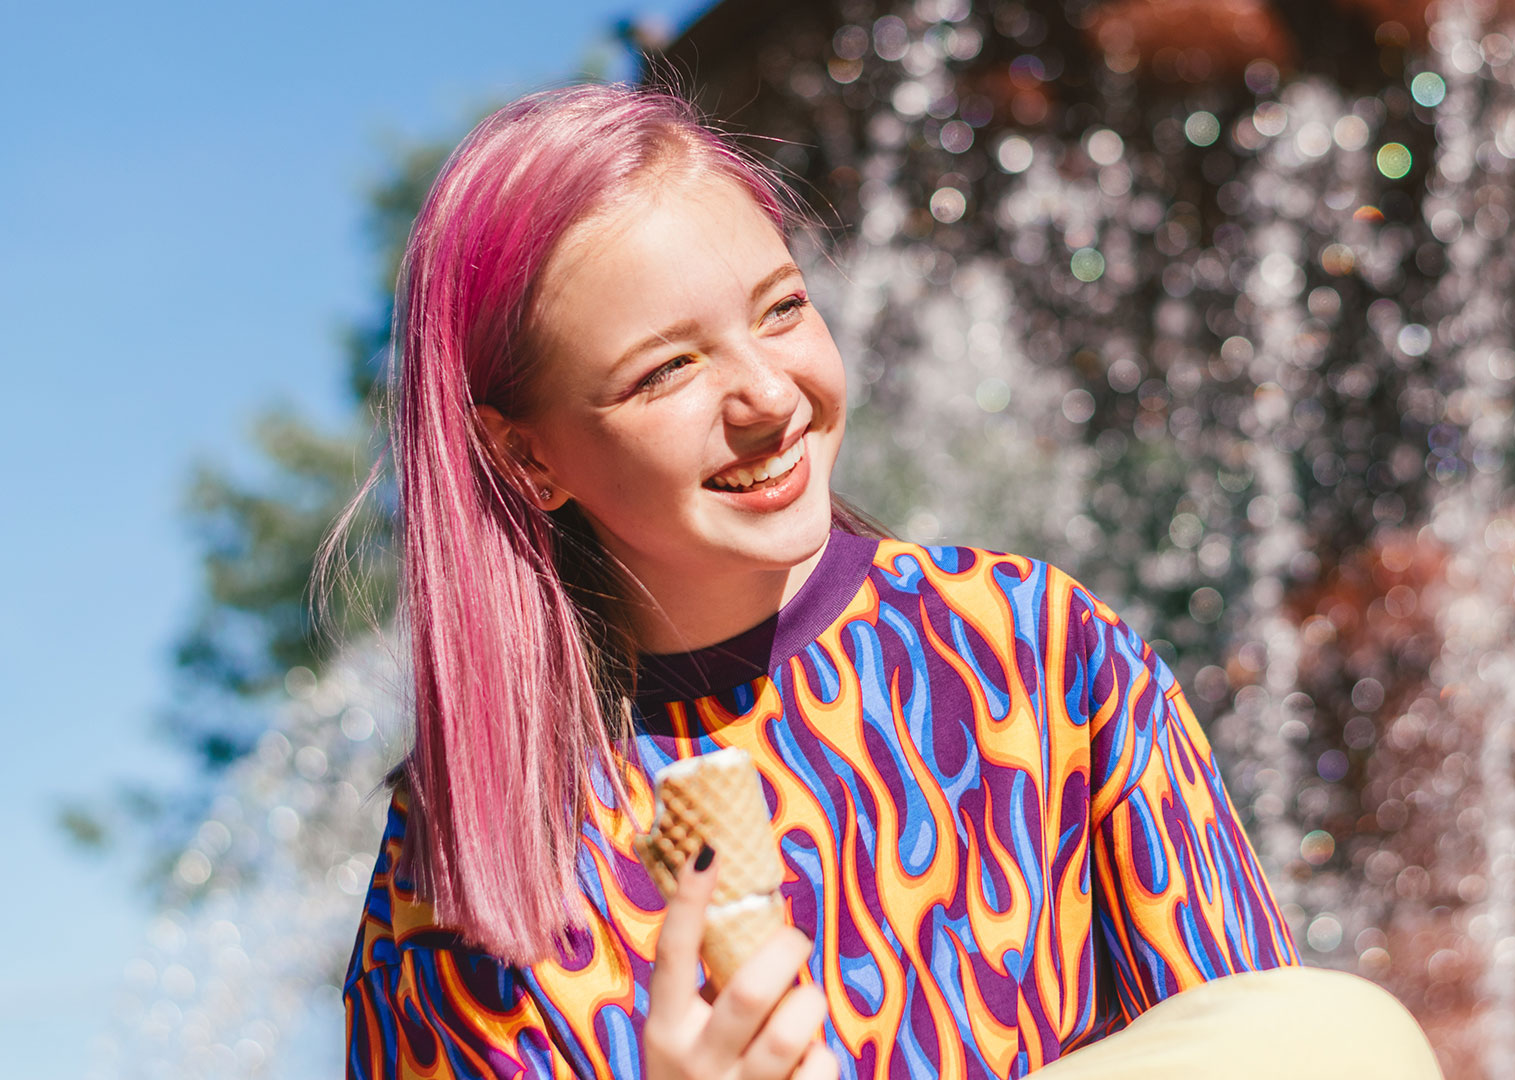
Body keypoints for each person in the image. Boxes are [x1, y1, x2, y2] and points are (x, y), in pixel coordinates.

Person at [339, 82, 1438, 1080]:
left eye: (781, 308)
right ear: (524, 457)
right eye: (668, 369)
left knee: (1341, 1032)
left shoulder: (1037, 648)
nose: (769, 397)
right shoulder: (458, 858)